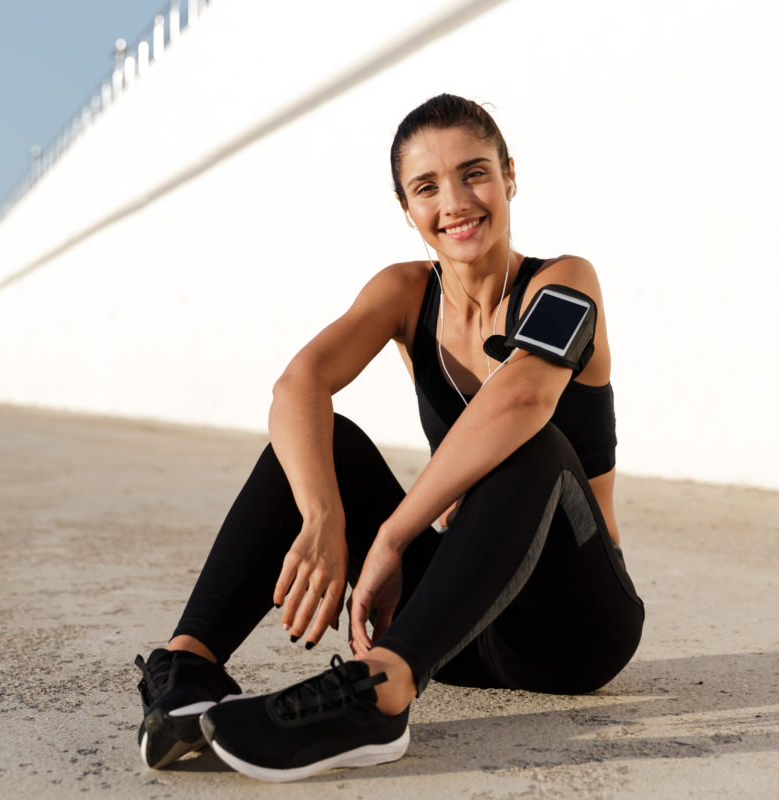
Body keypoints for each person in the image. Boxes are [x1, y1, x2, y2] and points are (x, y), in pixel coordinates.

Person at [133, 93, 644, 782]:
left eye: (475, 173)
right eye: (427, 187)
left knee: (534, 442)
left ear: (510, 176)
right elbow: (299, 386)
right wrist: (323, 516)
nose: (456, 202)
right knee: (325, 442)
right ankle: (189, 673)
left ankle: (378, 697)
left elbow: (523, 396)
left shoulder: (564, 281)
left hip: (575, 628)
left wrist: (392, 536)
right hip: (458, 626)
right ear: (407, 208)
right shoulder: (405, 293)